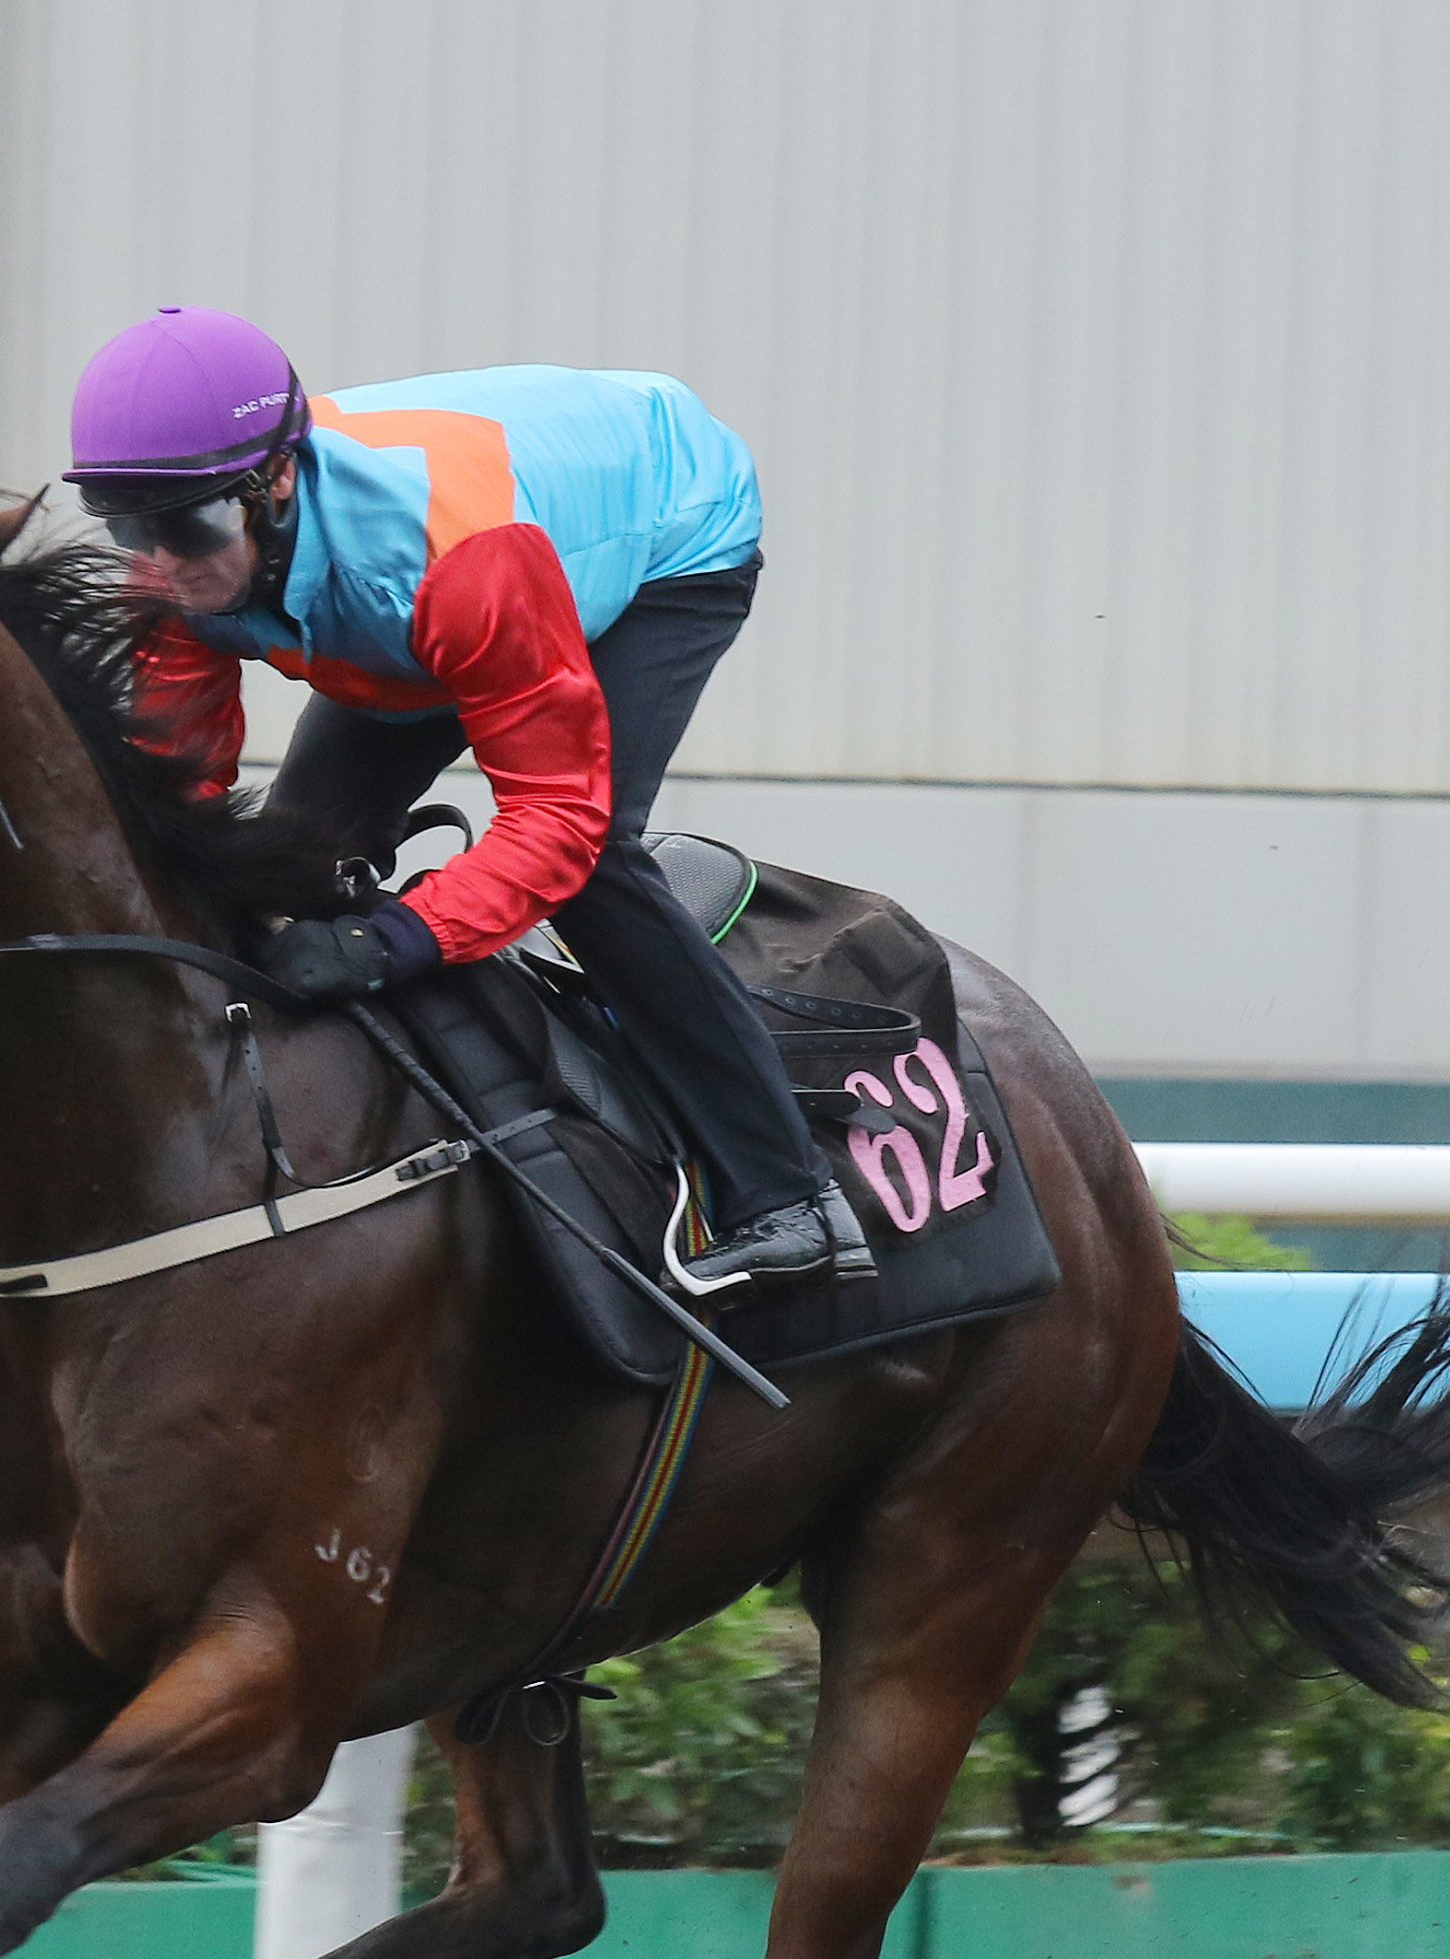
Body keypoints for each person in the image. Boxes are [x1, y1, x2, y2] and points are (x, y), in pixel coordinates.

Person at [62, 306, 868, 1296]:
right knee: (291, 856)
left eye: (187, 527)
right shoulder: (176, 569)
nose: (162, 565)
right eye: (126, 527)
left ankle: (787, 1196)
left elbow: (553, 823)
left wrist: (388, 940)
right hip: (416, 602)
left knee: (595, 867)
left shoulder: (457, 564)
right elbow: (174, 789)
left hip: (659, 536)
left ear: (272, 482)